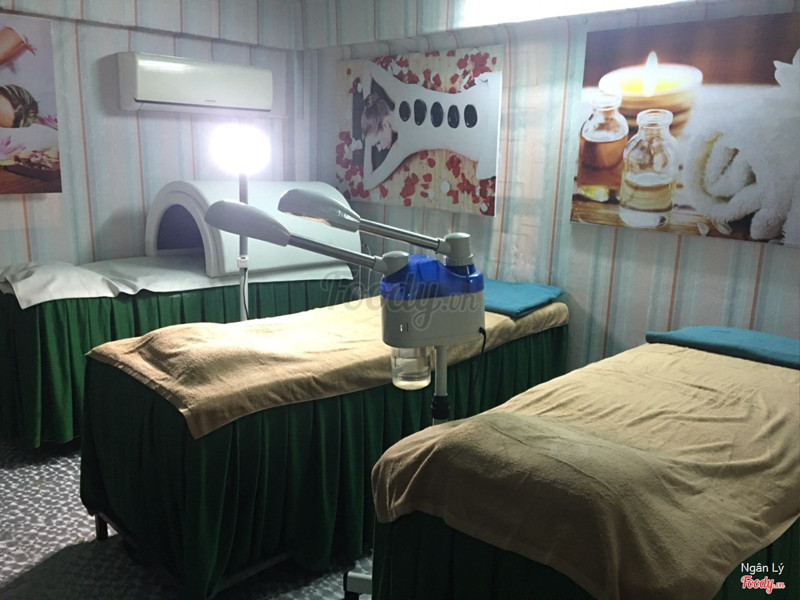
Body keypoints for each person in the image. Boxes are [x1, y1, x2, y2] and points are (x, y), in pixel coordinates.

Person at [359, 60, 501, 190]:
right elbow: (368, 67)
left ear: (384, 125)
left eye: (376, 143)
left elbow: (368, 183)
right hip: (484, 98)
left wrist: (367, 144)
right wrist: (368, 106)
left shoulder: (402, 145)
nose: (378, 149)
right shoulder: (399, 91)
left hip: (481, 142)